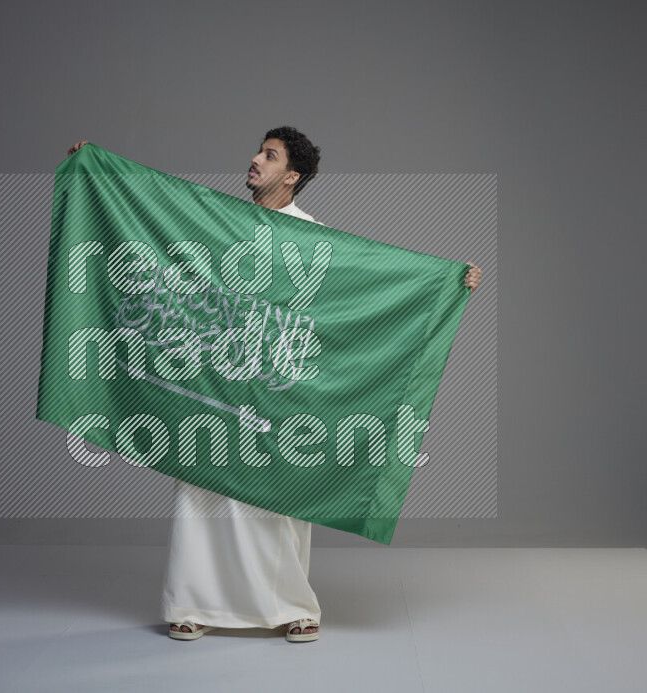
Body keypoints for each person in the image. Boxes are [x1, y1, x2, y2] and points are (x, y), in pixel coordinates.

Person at [65, 128, 482, 644]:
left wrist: (447, 282)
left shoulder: (311, 240)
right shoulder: (219, 224)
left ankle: (289, 605)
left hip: (272, 389)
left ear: (292, 176)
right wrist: (98, 171)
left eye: (269, 155)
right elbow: (154, 206)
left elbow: (365, 285)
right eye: (258, 151)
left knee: (274, 498)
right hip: (212, 377)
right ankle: (191, 604)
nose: (254, 160)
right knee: (200, 493)